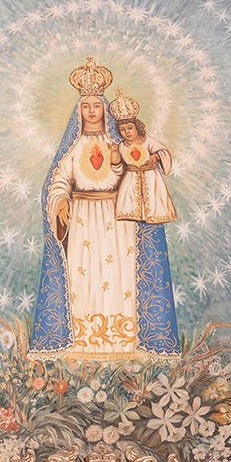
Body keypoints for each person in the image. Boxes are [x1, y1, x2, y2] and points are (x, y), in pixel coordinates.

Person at [29, 57, 179, 360]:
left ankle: (125, 344)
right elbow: (59, 181)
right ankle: (82, 344)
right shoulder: (71, 149)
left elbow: (139, 170)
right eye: (86, 106)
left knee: (121, 278)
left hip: (118, 218)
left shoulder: (120, 143)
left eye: (96, 105)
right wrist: (60, 204)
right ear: (79, 111)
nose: (92, 111)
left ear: (104, 109)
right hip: (82, 219)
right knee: (84, 279)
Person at [107, 89, 177, 226]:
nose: (126, 132)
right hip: (130, 180)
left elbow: (164, 152)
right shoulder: (121, 146)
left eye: (129, 128)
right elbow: (119, 169)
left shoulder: (148, 141)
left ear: (137, 127)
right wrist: (114, 153)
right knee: (131, 212)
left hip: (151, 179)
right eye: (122, 129)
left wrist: (156, 156)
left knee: (153, 203)